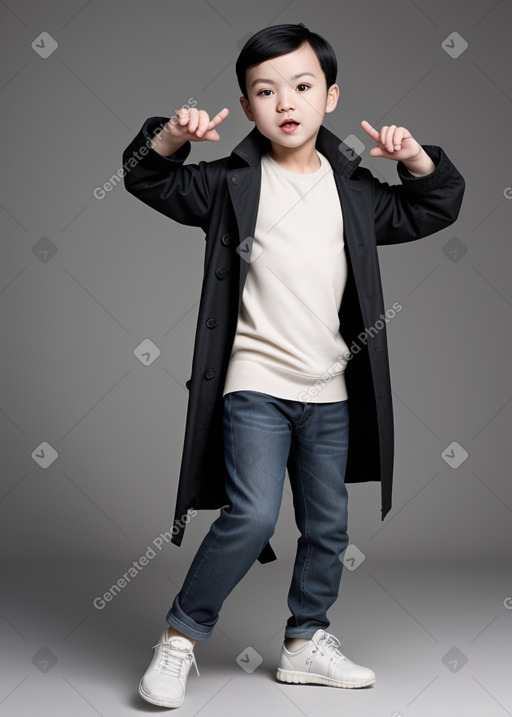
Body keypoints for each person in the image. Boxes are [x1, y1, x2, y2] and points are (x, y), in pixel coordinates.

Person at [122, 22, 465, 709]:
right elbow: (143, 177)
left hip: (330, 390)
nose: (286, 101)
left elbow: (433, 205)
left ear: (330, 96)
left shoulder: (358, 193)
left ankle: (307, 642)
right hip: (254, 383)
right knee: (250, 516)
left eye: (303, 86)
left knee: (329, 525)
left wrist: (417, 160)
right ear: (248, 107)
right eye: (265, 90)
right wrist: (172, 136)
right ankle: (180, 638)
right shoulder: (227, 184)